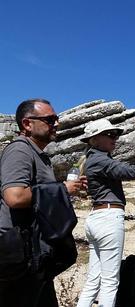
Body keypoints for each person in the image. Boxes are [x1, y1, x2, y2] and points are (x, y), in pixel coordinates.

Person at [0, 99, 85, 307]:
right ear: (27, 124)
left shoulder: (39, 155)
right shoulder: (20, 150)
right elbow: (15, 196)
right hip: (18, 254)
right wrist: (63, 189)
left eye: (56, 118)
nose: (56, 123)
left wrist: (64, 190)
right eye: (50, 119)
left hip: (34, 251)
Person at [76, 119, 135, 307]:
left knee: (93, 280)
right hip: (108, 219)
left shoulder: (93, 158)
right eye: (109, 134)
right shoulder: (100, 160)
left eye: (116, 134)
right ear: (94, 139)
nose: (115, 138)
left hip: (98, 219)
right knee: (110, 281)